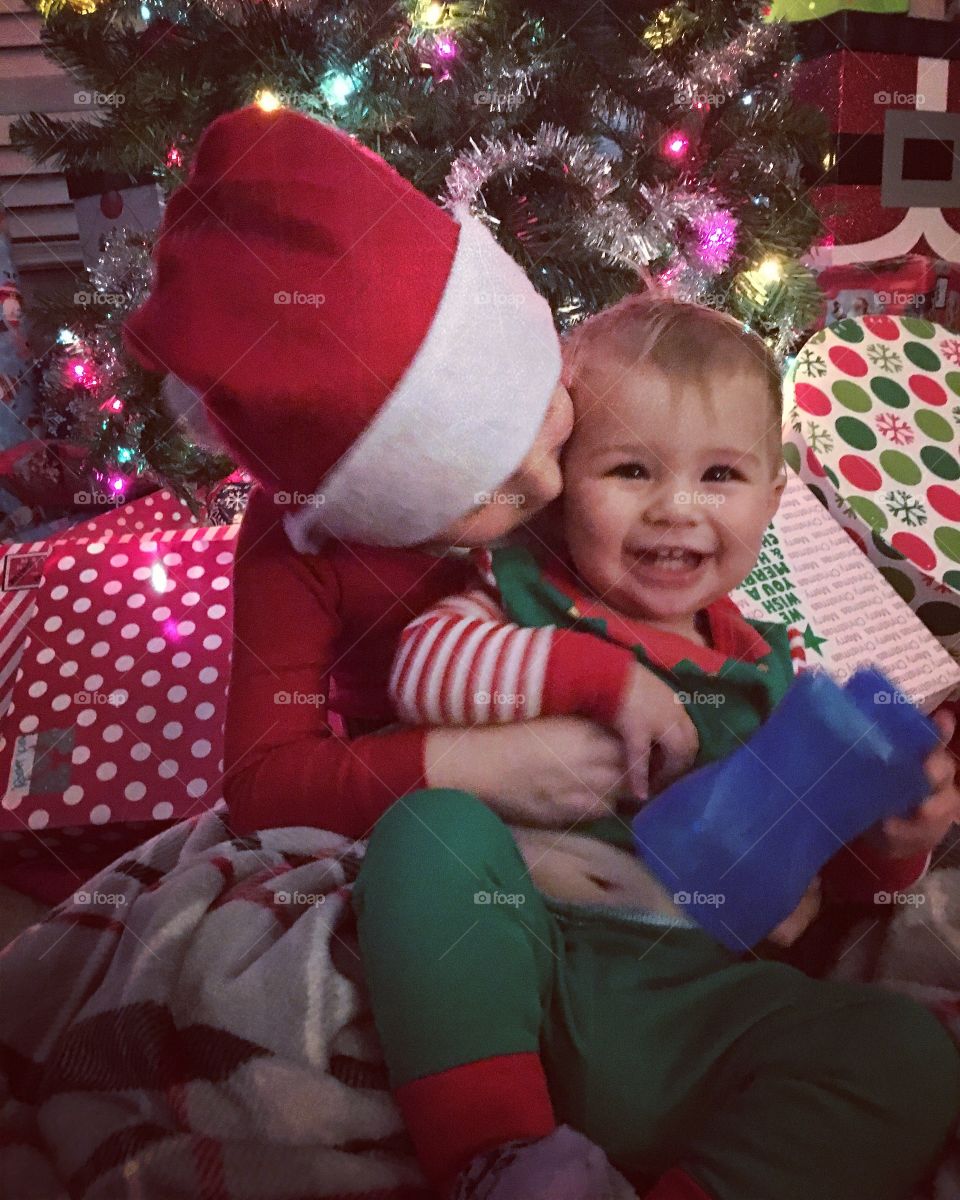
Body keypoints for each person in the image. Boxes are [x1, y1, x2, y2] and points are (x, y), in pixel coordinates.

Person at [353, 295, 960, 1200]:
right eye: (631, 469)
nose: (677, 509)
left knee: (904, 1049)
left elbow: (831, 897)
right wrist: (599, 680)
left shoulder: (775, 681)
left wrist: (894, 849)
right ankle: (498, 1157)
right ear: (562, 486)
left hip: (689, 1011)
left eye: (720, 475)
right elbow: (420, 670)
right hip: (510, 954)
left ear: (773, 496)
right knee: (427, 831)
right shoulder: (523, 591)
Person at [121, 105, 697, 842]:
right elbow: (262, 783)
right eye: (487, 494)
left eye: (548, 420)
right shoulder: (295, 547)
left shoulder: (588, 392)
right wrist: (468, 767)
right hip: (434, 800)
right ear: (370, 509)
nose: (551, 490)